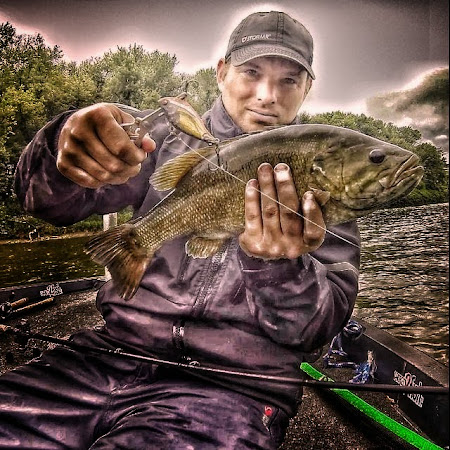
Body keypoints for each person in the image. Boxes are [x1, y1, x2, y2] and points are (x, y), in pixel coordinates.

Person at [0, 10, 360, 449]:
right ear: (222, 72)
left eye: (289, 80)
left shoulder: (323, 184)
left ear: (307, 88)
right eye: (252, 72)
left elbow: (315, 330)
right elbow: (43, 201)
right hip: (102, 358)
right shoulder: (162, 139)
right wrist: (62, 144)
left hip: (234, 390)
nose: (268, 95)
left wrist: (278, 268)